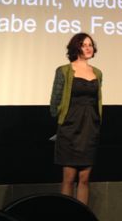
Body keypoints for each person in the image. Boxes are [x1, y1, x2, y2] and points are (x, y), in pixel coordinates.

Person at [49, 33, 103, 205]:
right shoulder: (64, 70)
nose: (88, 48)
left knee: (85, 178)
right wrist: (63, 121)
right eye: (83, 45)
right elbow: (55, 101)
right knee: (69, 177)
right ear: (76, 47)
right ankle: (66, 214)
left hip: (90, 128)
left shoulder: (97, 73)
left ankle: (82, 215)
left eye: (90, 45)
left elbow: (97, 100)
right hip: (70, 128)